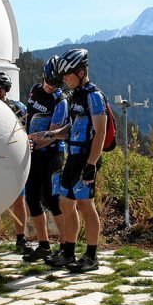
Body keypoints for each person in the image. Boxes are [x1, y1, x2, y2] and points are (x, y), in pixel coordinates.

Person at [30, 48, 107, 273]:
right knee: (66, 204)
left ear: (81, 72)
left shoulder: (94, 96)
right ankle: (68, 252)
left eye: (68, 75)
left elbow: (100, 133)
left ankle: (92, 256)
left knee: (86, 206)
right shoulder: (76, 95)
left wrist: (92, 165)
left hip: (86, 158)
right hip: (72, 157)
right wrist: (51, 134)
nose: (64, 79)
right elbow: (73, 128)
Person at [22, 56, 69, 263]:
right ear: (43, 75)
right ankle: (43, 245)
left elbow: (52, 134)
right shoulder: (34, 90)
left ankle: (66, 244)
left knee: (51, 199)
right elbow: (29, 118)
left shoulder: (60, 100)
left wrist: (31, 142)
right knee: (31, 197)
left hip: (52, 153)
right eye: (49, 81)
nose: (51, 86)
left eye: (56, 83)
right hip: (33, 151)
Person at [0, 70, 32, 256]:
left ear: (4, 90)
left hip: (13, 161)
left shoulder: (18, 108)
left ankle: (21, 238)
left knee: (19, 200)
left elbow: (26, 133)